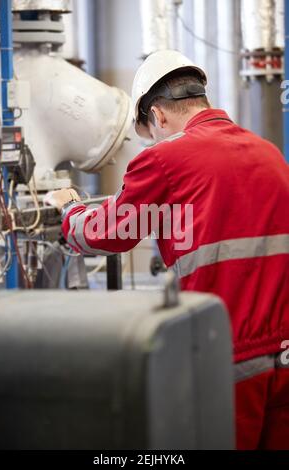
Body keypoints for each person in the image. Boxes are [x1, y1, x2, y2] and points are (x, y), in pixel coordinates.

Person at [47, 50, 289, 450]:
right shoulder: (270, 154)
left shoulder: (167, 158)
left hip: (228, 354)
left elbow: (113, 232)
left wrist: (69, 211)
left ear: (158, 116)